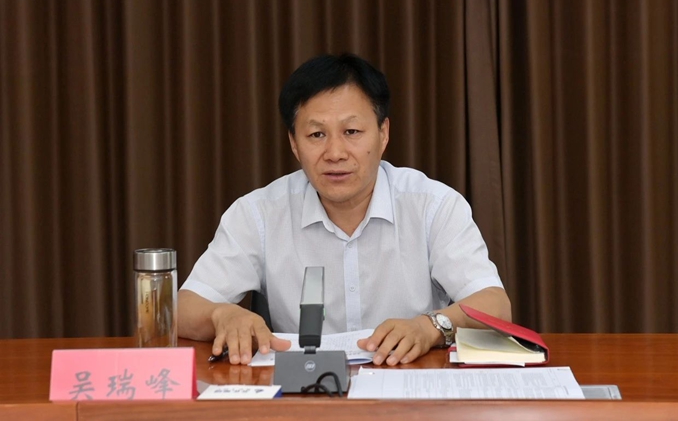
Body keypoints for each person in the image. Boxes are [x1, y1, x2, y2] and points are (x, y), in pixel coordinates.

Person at [178, 53, 511, 366]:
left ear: (383, 133)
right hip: (303, 392)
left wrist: (430, 327)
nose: (335, 152)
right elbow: (182, 309)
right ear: (294, 143)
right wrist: (222, 315)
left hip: (408, 387)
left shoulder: (433, 206)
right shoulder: (259, 214)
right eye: (316, 134)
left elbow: (495, 305)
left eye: (352, 132)